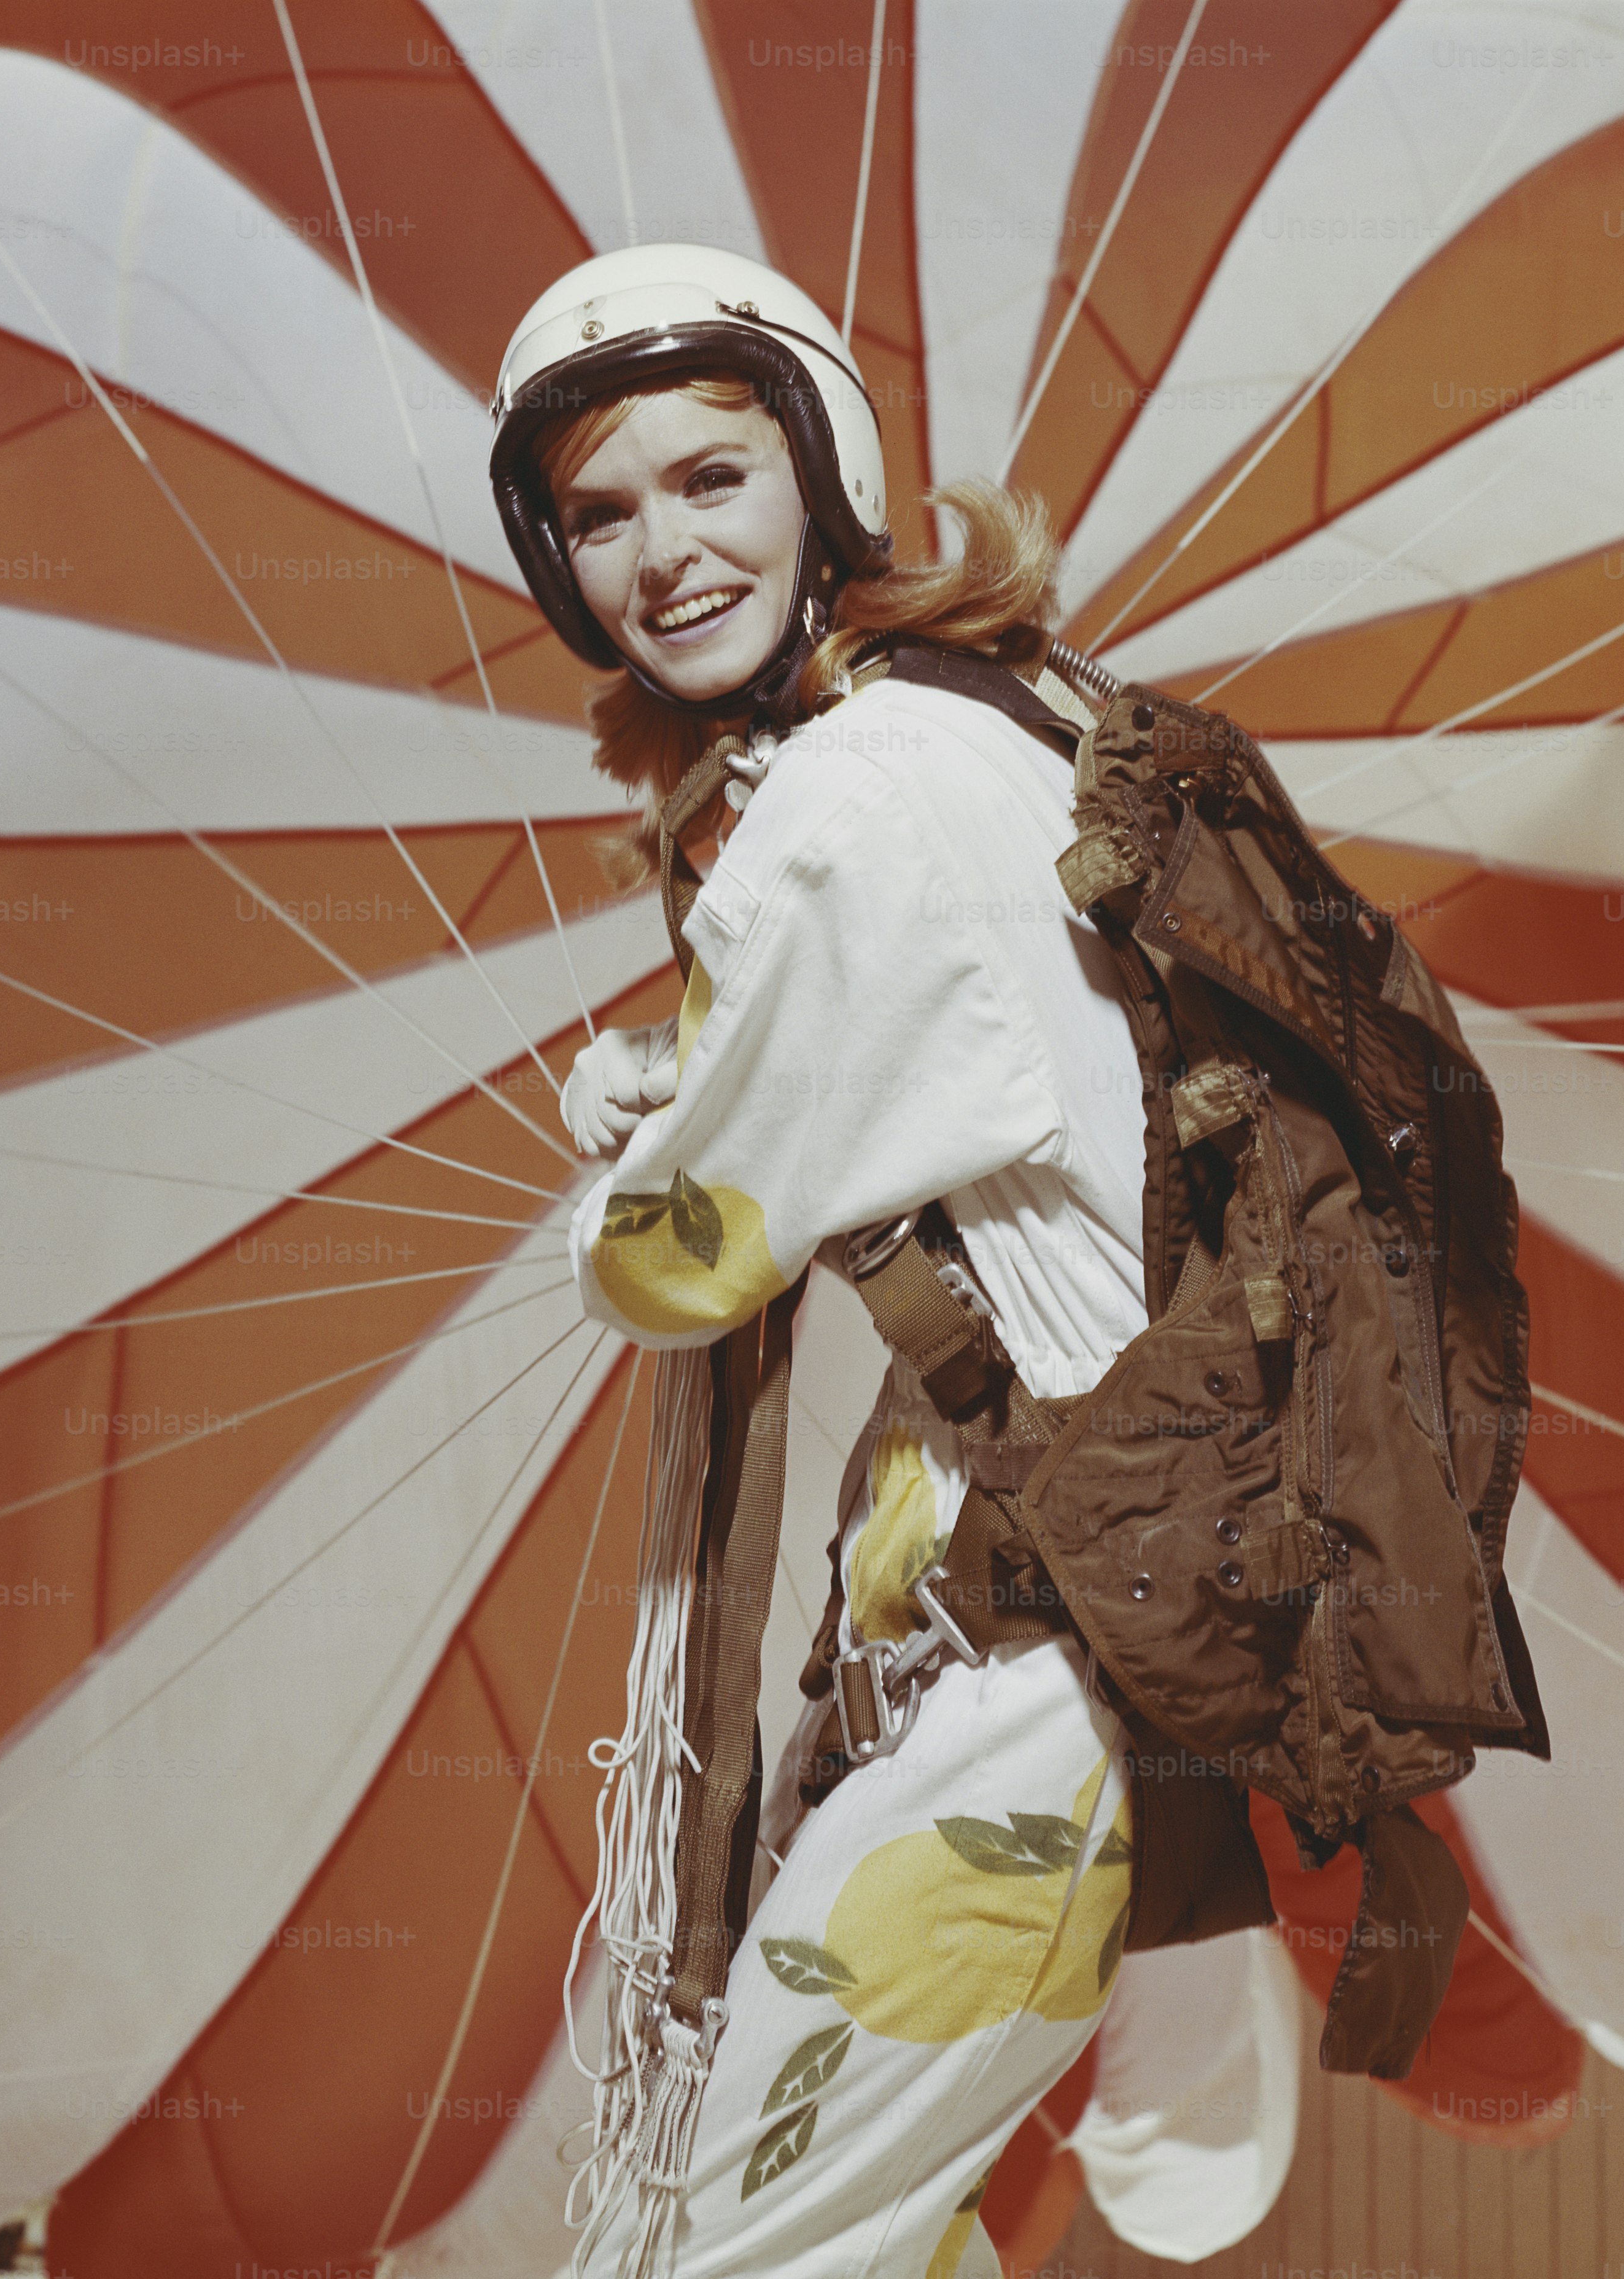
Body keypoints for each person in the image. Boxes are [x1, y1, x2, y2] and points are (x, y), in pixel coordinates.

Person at [491, 244, 1157, 2279]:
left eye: (713, 479)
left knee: (744, 2257)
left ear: (819, 478)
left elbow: (688, 1260)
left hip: (1051, 1658)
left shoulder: (842, 802)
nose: (663, 555)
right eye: (602, 514)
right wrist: (672, 1073)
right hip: (1016, 1609)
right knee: (846, 2238)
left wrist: (618, 1184)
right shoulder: (989, 717)